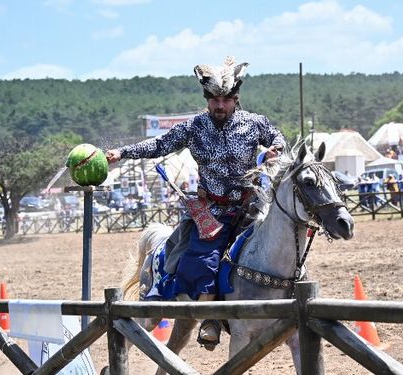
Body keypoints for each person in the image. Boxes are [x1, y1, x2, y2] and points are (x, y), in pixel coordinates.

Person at [105, 56, 286, 350]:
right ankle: (211, 318)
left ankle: (289, 302)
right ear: (207, 99)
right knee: (201, 265)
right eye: (214, 99)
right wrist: (122, 153)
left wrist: (274, 150)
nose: (220, 105)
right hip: (212, 214)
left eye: (226, 100)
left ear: (236, 99)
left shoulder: (255, 124)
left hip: (251, 208)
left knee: (281, 246)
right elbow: (159, 145)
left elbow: (278, 138)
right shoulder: (194, 127)